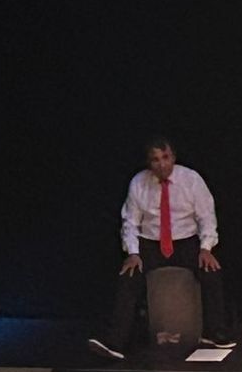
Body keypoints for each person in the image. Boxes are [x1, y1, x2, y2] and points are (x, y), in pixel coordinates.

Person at [91, 137, 232, 358]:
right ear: (149, 163)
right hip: (151, 244)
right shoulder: (139, 182)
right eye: (155, 160)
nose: (162, 164)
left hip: (186, 241)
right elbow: (130, 222)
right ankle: (116, 342)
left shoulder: (191, 179)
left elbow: (206, 216)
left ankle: (215, 333)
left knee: (211, 271)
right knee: (128, 276)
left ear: (173, 157)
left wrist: (206, 248)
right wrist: (133, 253)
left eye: (165, 158)